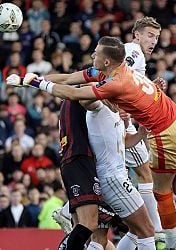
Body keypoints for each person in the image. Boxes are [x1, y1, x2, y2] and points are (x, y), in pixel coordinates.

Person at [6, 36, 176, 250]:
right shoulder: (106, 94)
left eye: (96, 54)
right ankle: (173, 243)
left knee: (132, 227)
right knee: (139, 227)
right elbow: (74, 88)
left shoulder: (114, 93)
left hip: (122, 170)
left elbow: (124, 138)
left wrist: (140, 128)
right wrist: (33, 80)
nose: (92, 56)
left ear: (107, 62)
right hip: (119, 172)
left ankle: (169, 241)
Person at [81, 100, 155, 249]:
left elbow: (123, 142)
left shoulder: (116, 113)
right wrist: (96, 92)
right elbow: (86, 100)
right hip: (113, 179)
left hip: (107, 179)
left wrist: (140, 134)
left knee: (100, 238)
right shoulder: (98, 107)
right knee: (147, 229)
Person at [123, 16, 164, 238]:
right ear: (137, 35)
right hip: (117, 119)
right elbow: (118, 78)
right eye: (149, 35)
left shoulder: (135, 55)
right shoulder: (133, 51)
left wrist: (150, 85)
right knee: (144, 172)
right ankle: (156, 227)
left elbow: (132, 83)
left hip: (119, 118)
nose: (153, 41)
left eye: (156, 37)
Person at [54, 100, 103, 249]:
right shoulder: (80, 94)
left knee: (92, 233)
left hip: (72, 160)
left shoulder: (67, 100)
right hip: (80, 159)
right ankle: (66, 245)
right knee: (90, 223)